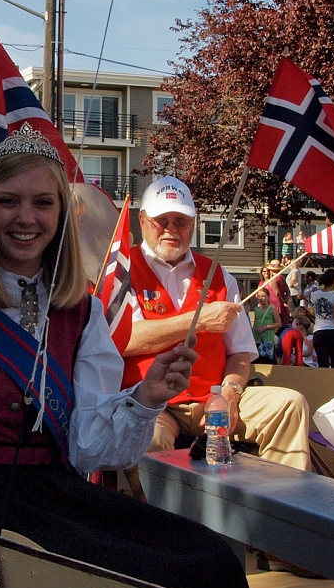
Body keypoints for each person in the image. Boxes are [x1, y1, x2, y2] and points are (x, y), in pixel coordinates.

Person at [0, 126, 253, 588]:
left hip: (56, 497)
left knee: (209, 561)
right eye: (8, 201)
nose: (26, 218)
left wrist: (146, 398)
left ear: (60, 214)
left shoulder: (82, 312)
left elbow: (87, 447)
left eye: (43, 203)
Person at [122, 176, 311, 475]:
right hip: (152, 403)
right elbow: (126, 340)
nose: (171, 229)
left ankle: (280, 508)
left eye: (181, 221)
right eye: (162, 220)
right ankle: (168, 519)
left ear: (193, 223)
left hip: (215, 397)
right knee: (151, 438)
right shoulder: (123, 270)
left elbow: (240, 353)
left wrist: (230, 394)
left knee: (289, 405)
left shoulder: (219, 275)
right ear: (143, 221)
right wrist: (198, 321)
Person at [251, 287, 281, 363]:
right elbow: (255, 322)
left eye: (263, 296)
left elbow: (279, 323)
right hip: (257, 338)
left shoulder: (272, 308)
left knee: (267, 360)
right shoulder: (256, 309)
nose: (261, 298)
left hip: (267, 339)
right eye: (259, 296)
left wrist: (266, 327)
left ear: (268, 297)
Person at [265, 259, 290, 328]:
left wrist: (282, 301)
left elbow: (277, 294)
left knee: (277, 322)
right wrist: (286, 300)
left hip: (275, 304)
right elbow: (288, 291)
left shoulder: (273, 280)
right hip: (282, 303)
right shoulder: (282, 278)